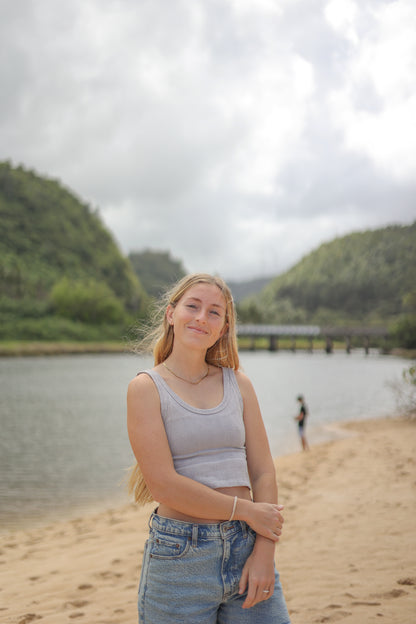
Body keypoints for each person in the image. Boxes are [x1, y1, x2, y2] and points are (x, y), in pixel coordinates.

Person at [127, 273, 291, 624]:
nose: (202, 317)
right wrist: (245, 511)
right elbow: (163, 485)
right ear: (171, 314)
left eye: (215, 312)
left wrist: (265, 552)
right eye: (193, 306)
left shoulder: (239, 384)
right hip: (179, 557)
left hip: (248, 547)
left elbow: (263, 471)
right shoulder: (145, 388)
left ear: (223, 328)